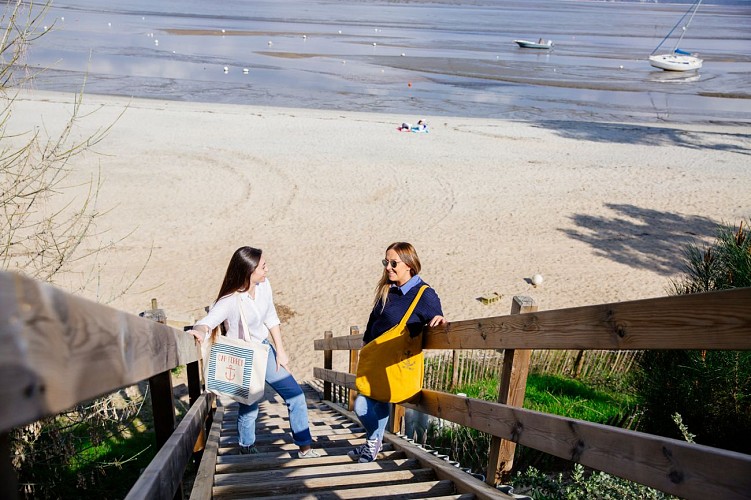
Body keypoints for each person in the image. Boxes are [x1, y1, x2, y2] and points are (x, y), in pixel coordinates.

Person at [188, 246, 319, 458]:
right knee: (250, 407)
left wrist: (281, 351)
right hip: (242, 357)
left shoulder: (265, 285)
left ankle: (305, 447)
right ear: (249, 271)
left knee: (295, 395)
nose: (267, 269)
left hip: (264, 351)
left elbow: (271, 317)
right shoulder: (230, 300)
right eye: (263, 266)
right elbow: (209, 321)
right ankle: (247, 448)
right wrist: (200, 330)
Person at [349, 242, 446, 463]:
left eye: (394, 263)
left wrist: (440, 320)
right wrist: (366, 345)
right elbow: (373, 320)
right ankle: (372, 443)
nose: (388, 267)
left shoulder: (424, 294)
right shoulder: (388, 290)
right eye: (386, 262)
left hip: (394, 364)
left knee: (362, 406)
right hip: (376, 360)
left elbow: (437, 316)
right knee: (368, 402)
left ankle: (372, 442)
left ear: (409, 265)